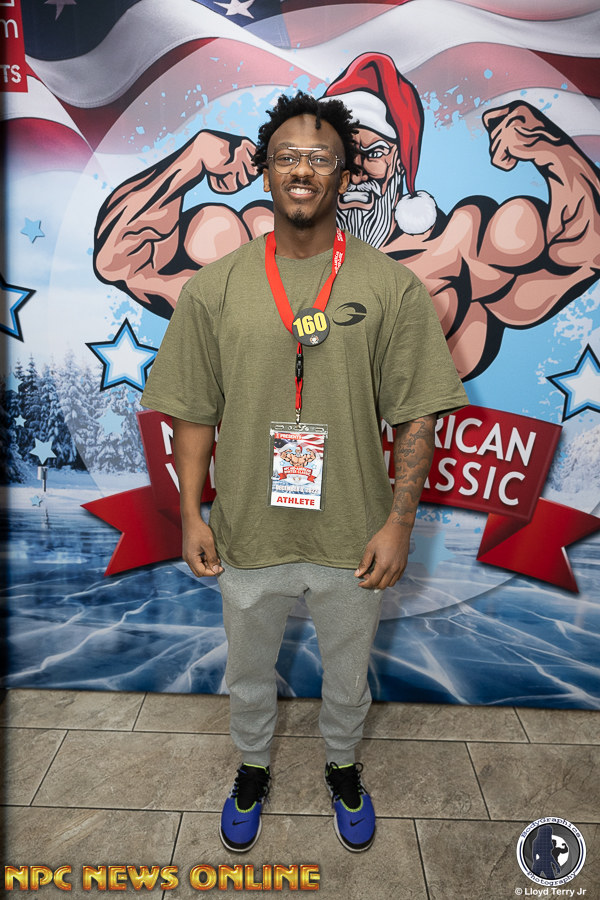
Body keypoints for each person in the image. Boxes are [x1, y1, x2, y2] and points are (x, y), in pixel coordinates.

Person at [141, 91, 468, 853]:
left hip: (353, 533)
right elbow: (192, 411)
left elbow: (418, 413)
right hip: (248, 530)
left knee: (348, 675)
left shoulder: (391, 286)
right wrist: (191, 514)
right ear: (265, 171)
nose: (302, 170)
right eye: (287, 156)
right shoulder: (215, 287)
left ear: (346, 176)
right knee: (249, 672)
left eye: (321, 158)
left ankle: (343, 766)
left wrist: (400, 523)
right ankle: (253, 767)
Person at [94, 56, 600, 382]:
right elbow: (123, 260)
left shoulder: (460, 246)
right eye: (341, 156)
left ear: (402, 166)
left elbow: (581, 252)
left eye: (374, 152)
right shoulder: (251, 242)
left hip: (393, 490)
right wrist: (190, 161)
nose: (356, 172)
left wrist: (552, 152)